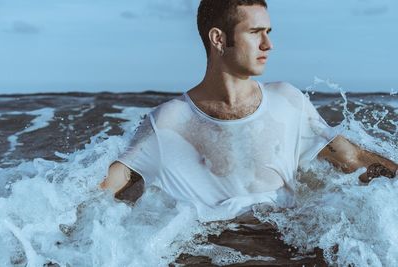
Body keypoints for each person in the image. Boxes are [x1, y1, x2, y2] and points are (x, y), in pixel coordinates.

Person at [100, 0, 397, 221]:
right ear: (219, 39)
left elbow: (353, 159)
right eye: (256, 32)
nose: (268, 44)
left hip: (284, 249)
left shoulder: (287, 101)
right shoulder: (168, 123)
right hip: (212, 255)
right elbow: (104, 196)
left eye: (268, 31)